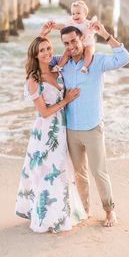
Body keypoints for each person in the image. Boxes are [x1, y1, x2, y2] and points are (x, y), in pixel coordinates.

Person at [44, 20, 129, 227]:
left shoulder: (97, 61)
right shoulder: (62, 64)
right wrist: (43, 33)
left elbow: (125, 58)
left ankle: (110, 210)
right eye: (65, 43)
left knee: (99, 172)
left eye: (73, 41)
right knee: (79, 174)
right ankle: (85, 209)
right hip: (71, 129)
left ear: (82, 39)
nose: (70, 46)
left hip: (92, 127)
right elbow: (37, 59)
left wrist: (105, 34)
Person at [15, 29, 87, 233]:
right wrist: (66, 100)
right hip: (46, 132)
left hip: (61, 128)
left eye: (48, 48)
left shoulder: (57, 69)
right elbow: (44, 112)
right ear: (35, 55)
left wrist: (45, 32)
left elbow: (71, 49)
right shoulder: (33, 79)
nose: (47, 52)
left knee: (62, 169)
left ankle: (63, 212)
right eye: (42, 51)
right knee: (49, 171)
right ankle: (47, 217)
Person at [52, 0, 97, 73]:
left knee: (88, 52)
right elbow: (63, 26)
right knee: (67, 52)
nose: (75, 15)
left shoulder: (88, 23)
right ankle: (59, 66)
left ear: (85, 14)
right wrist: (54, 26)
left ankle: (85, 67)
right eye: (73, 14)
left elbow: (94, 29)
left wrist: (91, 29)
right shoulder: (72, 24)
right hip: (76, 45)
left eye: (78, 13)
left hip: (87, 44)